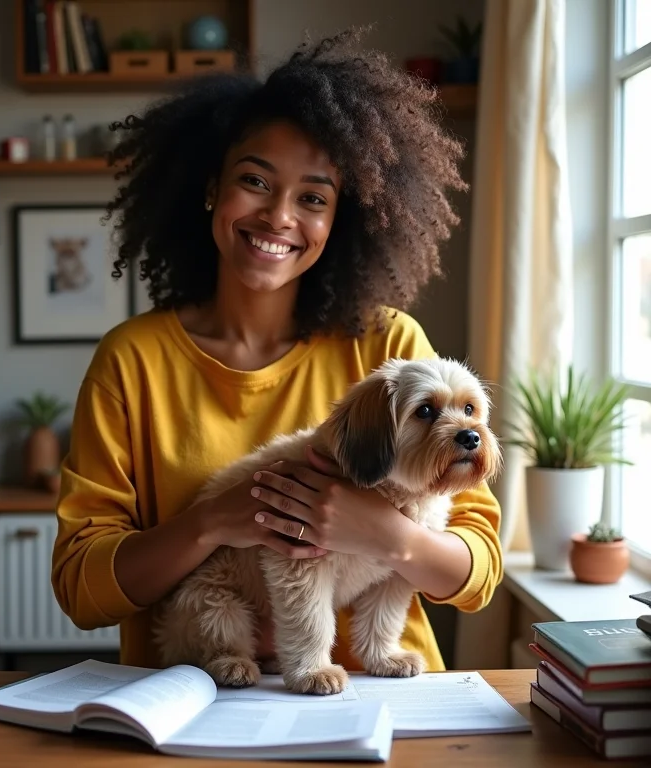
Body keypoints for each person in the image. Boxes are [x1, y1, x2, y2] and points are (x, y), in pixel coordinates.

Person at [51, 28, 503, 674]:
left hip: (387, 706)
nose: (280, 216)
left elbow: (481, 568)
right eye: (255, 181)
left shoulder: (392, 347)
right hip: (202, 699)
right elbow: (79, 588)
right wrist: (212, 523)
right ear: (212, 187)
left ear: (336, 219)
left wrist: (384, 535)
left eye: (313, 198)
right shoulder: (132, 362)